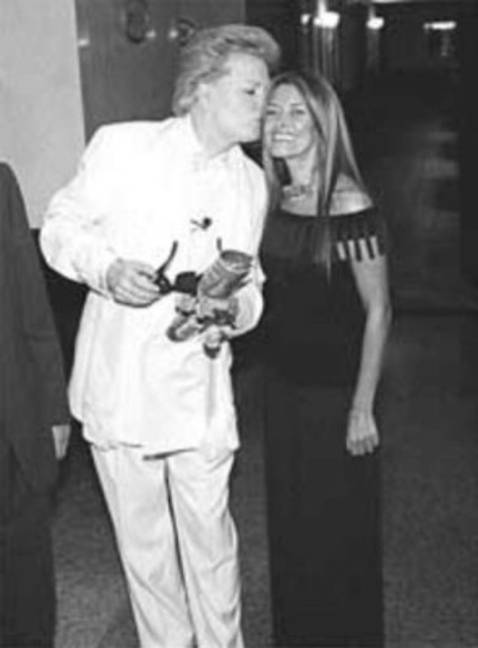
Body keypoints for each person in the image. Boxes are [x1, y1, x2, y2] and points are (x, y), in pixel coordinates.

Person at [40, 24, 279, 648]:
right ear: (201, 88)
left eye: (266, 90)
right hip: (123, 387)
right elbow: (59, 227)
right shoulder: (123, 147)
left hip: (201, 391)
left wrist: (233, 312)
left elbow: (253, 286)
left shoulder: (251, 182)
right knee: (145, 548)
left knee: (213, 540)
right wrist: (107, 270)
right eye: (251, 90)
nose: (266, 103)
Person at [260, 72, 392, 647]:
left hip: (334, 395)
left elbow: (379, 311)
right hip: (281, 389)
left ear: (323, 125)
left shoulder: (349, 203)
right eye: (272, 112)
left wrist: (362, 407)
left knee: (335, 531)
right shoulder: (274, 200)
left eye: (297, 114)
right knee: (291, 528)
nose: (281, 125)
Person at [0, 163, 70, 648]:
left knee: (23, 570)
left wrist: (53, 406)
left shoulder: (0, 185)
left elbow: (30, 302)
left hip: (12, 415)